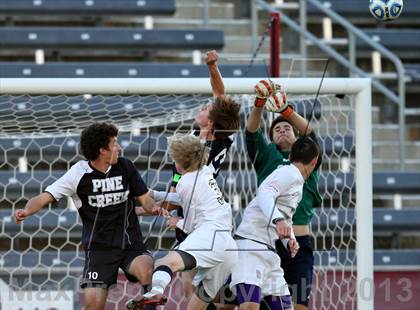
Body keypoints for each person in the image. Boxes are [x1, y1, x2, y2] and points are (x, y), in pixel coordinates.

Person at [14, 123, 162, 310]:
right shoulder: (78, 174)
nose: (119, 147)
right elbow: (44, 197)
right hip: (98, 249)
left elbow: (144, 199)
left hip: (129, 242)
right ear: (102, 151)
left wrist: (154, 207)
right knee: (93, 306)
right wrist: (26, 211)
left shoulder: (125, 166)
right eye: (114, 143)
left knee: (148, 270)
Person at [128, 134, 238, 310]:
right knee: (197, 304)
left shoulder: (184, 182)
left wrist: (176, 222)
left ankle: (155, 292)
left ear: (180, 161)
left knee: (164, 264)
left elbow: (190, 226)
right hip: (229, 247)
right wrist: (155, 194)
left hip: (210, 237)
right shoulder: (205, 171)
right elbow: (185, 198)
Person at [246, 80, 323, 309]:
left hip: (300, 242)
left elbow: (310, 133)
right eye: (276, 129)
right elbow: (251, 131)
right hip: (269, 240)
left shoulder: (309, 158)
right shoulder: (266, 156)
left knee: (299, 304)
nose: (281, 130)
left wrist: (286, 110)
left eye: (287, 127)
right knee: (259, 301)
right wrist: (259, 104)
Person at [230, 136, 320, 310]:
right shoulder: (288, 173)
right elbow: (264, 193)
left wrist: (289, 239)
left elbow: (285, 216)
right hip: (250, 247)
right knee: (249, 306)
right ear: (314, 161)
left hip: (269, 253)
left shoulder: (296, 181)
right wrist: (278, 220)